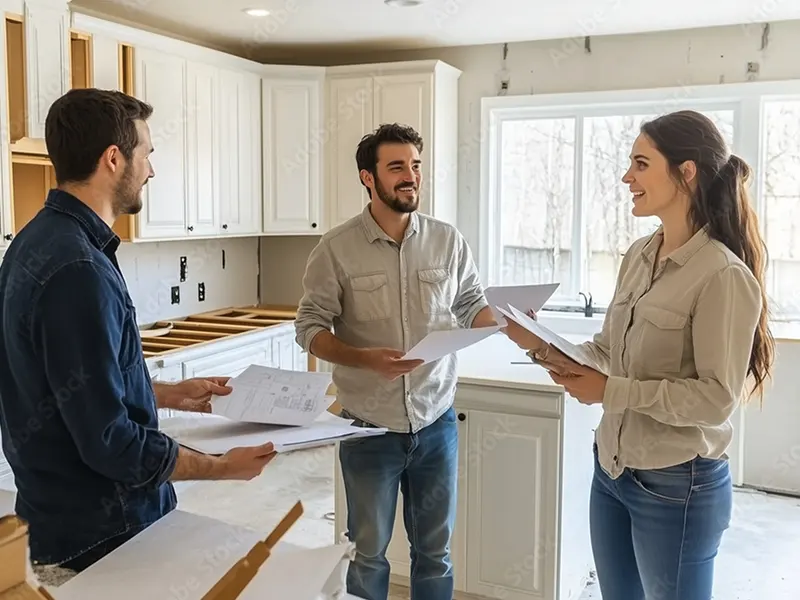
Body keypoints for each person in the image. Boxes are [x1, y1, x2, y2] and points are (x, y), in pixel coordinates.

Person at [0, 88, 277, 574]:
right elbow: (110, 441)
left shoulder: (32, 246)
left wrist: (166, 393)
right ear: (113, 159)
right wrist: (221, 467)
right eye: (146, 153)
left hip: (59, 527)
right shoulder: (79, 269)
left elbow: (72, 390)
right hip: (107, 540)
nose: (151, 169)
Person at [503, 109, 774, 600]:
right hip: (611, 470)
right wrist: (537, 342)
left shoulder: (722, 276)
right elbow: (607, 352)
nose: (627, 176)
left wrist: (612, 391)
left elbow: (716, 400)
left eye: (641, 163)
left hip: (678, 486)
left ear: (685, 172)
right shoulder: (638, 255)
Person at [295, 123, 496, 600]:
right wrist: (362, 358)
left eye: (416, 166)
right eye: (397, 167)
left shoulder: (448, 241)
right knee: (367, 554)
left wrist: (506, 318)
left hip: (436, 423)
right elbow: (309, 329)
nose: (411, 177)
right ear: (369, 178)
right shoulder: (336, 248)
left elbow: (471, 303)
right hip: (369, 430)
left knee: (436, 554)